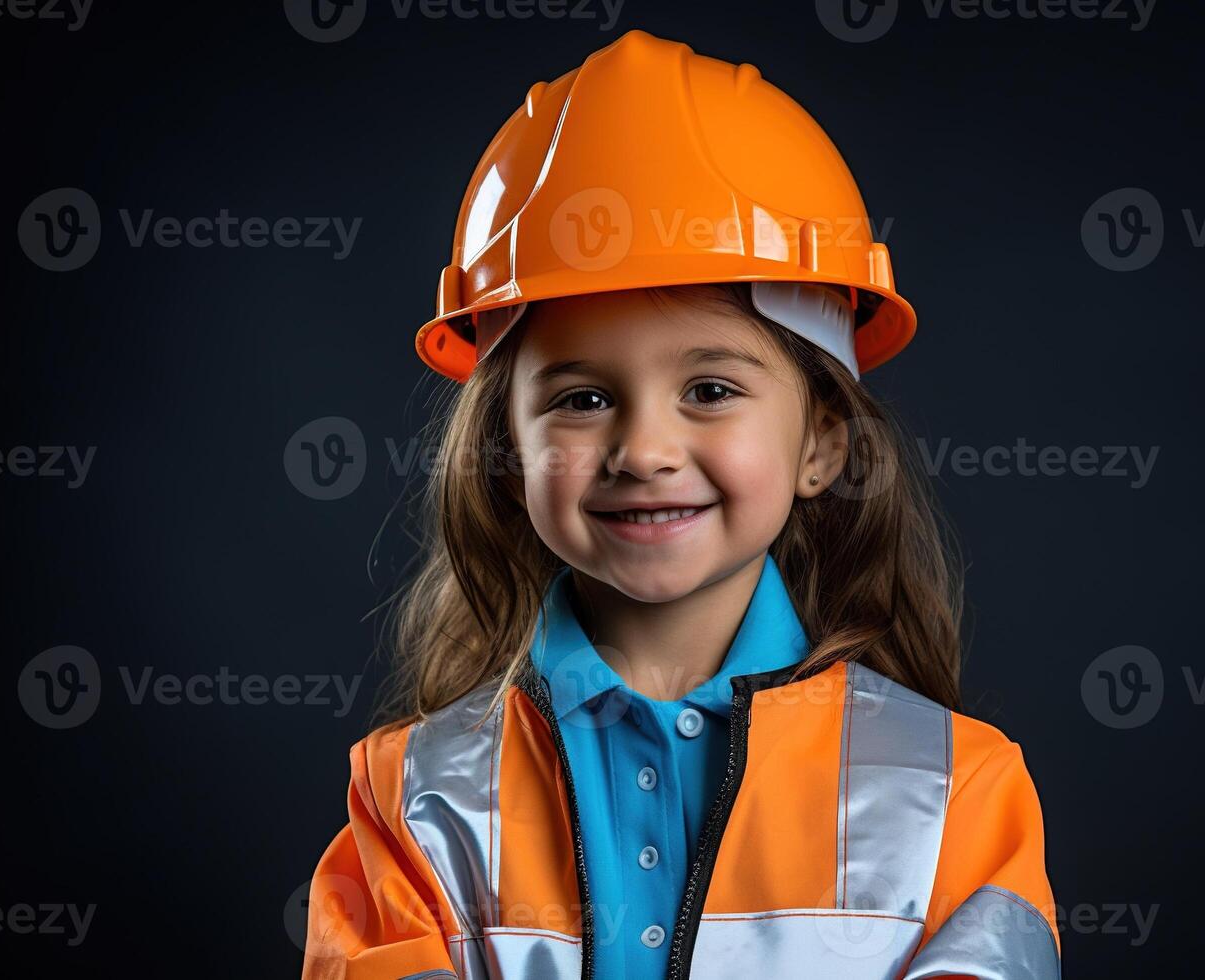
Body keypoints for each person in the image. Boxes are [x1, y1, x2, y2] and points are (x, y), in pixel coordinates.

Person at [301, 28, 1059, 980]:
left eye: (710, 389)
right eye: (580, 399)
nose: (645, 451)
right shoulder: (410, 801)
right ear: (509, 452)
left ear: (821, 443)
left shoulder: (957, 793)